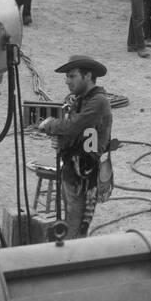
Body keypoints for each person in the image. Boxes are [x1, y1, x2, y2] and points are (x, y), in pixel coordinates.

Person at [39, 56, 113, 239]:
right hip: (73, 171)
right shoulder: (81, 100)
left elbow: (73, 126)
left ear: (87, 76)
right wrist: (62, 143)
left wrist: (50, 124)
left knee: (75, 229)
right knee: (71, 224)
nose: (67, 81)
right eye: (67, 76)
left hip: (85, 176)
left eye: (72, 76)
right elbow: (77, 133)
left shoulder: (98, 101)